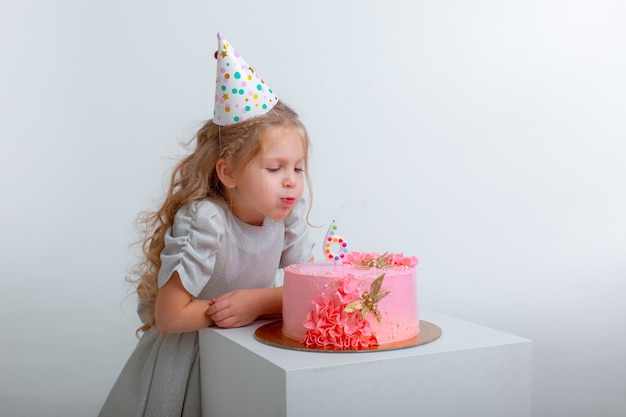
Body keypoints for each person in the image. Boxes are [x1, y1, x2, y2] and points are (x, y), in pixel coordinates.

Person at [98, 34, 313, 417]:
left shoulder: (286, 216)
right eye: (275, 168)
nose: (292, 181)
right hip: (192, 357)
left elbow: (311, 290)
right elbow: (171, 315)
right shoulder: (207, 221)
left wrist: (258, 302)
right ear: (228, 172)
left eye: (298, 168)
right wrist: (246, 308)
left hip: (247, 346)